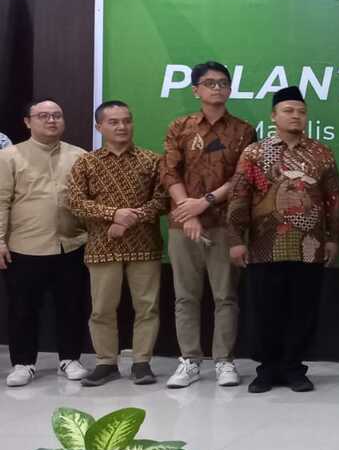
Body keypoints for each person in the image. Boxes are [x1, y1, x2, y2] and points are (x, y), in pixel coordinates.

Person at [227, 86, 339, 394]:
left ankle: (294, 368)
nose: (296, 116)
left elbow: (333, 198)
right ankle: (266, 370)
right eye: (288, 111)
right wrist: (236, 238)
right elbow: (239, 196)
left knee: (302, 309)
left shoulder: (321, 153)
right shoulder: (255, 153)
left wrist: (333, 237)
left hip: (310, 246)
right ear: (273, 116)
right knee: (265, 310)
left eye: (301, 112)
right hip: (265, 245)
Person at [162, 61, 257, 389]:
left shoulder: (244, 130)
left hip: (224, 223)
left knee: (225, 296)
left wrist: (204, 203)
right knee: (185, 296)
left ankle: (224, 361)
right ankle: (189, 360)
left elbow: (242, 177)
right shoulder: (180, 127)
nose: (217, 88)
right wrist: (188, 213)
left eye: (223, 83)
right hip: (183, 225)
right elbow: (169, 172)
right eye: (210, 83)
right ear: (196, 90)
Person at [64, 101, 167, 387]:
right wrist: (113, 214)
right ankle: (106, 363)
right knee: (102, 309)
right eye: (113, 122)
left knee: (147, 307)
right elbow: (75, 202)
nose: (122, 126)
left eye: (127, 120)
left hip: (145, 245)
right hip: (102, 246)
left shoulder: (151, 160)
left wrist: (130, 220)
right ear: (99, 127)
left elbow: (163, 200)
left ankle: (142, 362)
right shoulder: (86, 162)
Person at [0, 100, 90, 387]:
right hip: (24, 245)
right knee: (23, 308)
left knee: (71, 305)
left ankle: (70, 358)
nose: (51, 120)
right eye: (43, 116)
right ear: (28, 122)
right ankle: (23, 363)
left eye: (57, 116)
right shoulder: (9, 156)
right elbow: (1, 201)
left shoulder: (80, 156)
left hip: (71, 244)